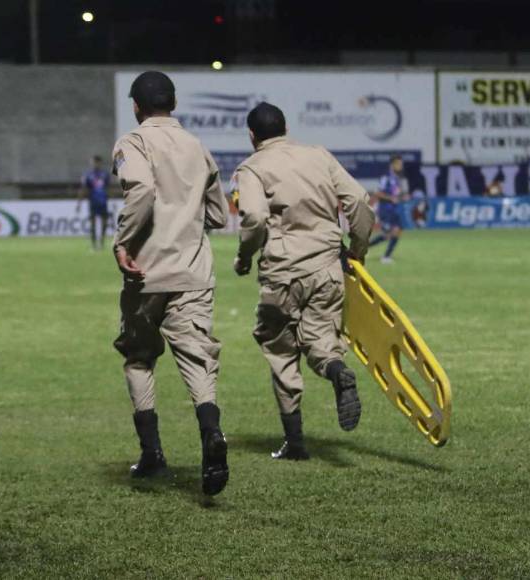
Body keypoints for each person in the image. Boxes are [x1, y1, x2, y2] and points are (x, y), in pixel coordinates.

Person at [233, 102, 374, 460]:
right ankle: (336, 369)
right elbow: (357, 200)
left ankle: (295, 442)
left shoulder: (252, 167)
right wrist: (356, 250)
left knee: (280, 349)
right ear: (286, 127)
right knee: (321, 339)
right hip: (327, 267)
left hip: (282, 271)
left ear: (252, 135)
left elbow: (253, 218)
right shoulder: (318, 155)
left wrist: (245, 257)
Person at [112, 71, 230, 495]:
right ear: (174, 104)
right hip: (194, 271)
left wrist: (125, 241)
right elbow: (219, 215)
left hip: (146, 273)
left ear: (137, 106)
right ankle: (211, 432)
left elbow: (141, 188)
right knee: (198, 358)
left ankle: (152, 454)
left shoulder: (134, 142)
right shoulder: (198, 147)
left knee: (139, 358)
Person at [368, 155, 408, 264]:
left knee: (397, 231)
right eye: (399, 164)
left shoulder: (396, 178)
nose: (401, 166)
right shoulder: (386, 177)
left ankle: (385, 256)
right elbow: (377, 193)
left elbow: (395, 194)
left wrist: (402, 197)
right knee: (388, 234)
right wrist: (391, 198)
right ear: (392, 164)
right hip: (385, 209)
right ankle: (368, 249)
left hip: (393, 210)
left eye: (401, 164)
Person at [76, 155, 111, 250]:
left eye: (95, 162)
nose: (94, 164)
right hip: (93, 202)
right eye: (92, 162)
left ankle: (102, 243)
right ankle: (94, 244)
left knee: (104, 224)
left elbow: (108, 188)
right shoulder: (88, 175)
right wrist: (79, 202)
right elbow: (83, 189)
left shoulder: (105, 174)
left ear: (99, 163)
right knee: (93, 224)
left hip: (103, 202)